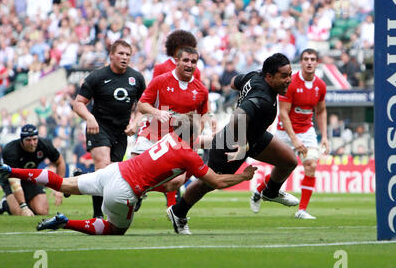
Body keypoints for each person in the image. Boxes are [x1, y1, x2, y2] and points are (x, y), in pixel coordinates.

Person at [0, 113, 257, 235]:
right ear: (192, 133)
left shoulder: (171, 139)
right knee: (114, 230)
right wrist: (243, 177)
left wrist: (227, 141)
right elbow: (217, 181)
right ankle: (66, 223)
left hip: (113, 171)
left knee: (63, 182)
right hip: (123, 190)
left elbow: (197, 143)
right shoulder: (187, 153)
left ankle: (8, 170)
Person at [167, 53, 300, 235]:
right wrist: (243, 143)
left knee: (289, 160)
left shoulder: (255, 75)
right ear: (269, 76)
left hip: (254, 136)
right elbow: (237, 117)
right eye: (284, 76)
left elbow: (233, 83)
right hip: (231, 142)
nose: (289, 80)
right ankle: (178, 212)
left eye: (290, 74)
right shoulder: (263, 99)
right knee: (208, 183)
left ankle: (271, 191)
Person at [130, 30, 206, 210]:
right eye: (182, 52)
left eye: (191, 56)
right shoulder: (161, 69)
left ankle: (171, 203)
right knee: (136, 169)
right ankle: (141, 190)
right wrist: (138, 120)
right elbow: (149, 99)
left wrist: (194, 131)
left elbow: (198, 103)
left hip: (180, 129)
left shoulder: (197, 75)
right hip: (157, 125)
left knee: (175, 175)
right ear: (175, 51)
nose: (188, 61)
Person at [251, 49, 329, 219]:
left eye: (313, 59)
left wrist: (324, 136)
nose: (309, 62)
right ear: (301, 62)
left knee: (311, 165)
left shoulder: (320, 86)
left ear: (317, 63)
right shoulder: (290, 83)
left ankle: (301, 210)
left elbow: (321, 111)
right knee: (282, 169)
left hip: (307, 130)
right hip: (285, 131)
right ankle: (259, 190)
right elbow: (284, 113)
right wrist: (294, 139)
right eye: (306, 59)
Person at [72, 39, 146, 218]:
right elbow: (78, 103)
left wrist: (135, 123)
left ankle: (81, 178)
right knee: (104, 167)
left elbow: (145, 106)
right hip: (99, 127)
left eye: (128, 55)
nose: (124, 57)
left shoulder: (136, 78)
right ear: (111, 55)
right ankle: (98, 216)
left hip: (121, 131)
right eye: (121, 53)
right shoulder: (97, 76)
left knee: (113, 173)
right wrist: (89, 118)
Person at [0, 124, 66, 216]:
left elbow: (60, 162)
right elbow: (14, 181)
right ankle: (5, 204)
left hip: (30, 177)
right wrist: (24, 206)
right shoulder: (11, 150)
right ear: (21, 140)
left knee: (42, 211)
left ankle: (28, 203)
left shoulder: (44, 144)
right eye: (28, 140)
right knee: (20, 213)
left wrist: (59, 188)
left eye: (35, 139)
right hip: (11, 179)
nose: (32, 143)